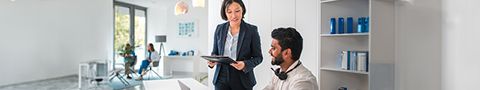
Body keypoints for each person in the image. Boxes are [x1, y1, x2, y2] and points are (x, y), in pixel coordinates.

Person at [207, 0, 263, 90]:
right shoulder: (219, 29)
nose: (233, 16)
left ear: (242, 10)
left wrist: (244, 64)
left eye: (237, 11)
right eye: (229, 12)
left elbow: (258, 57)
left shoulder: (251, 30)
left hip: (242, 78)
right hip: (221, 77)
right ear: (225, 13)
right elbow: (215, 52)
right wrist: (212, 62)